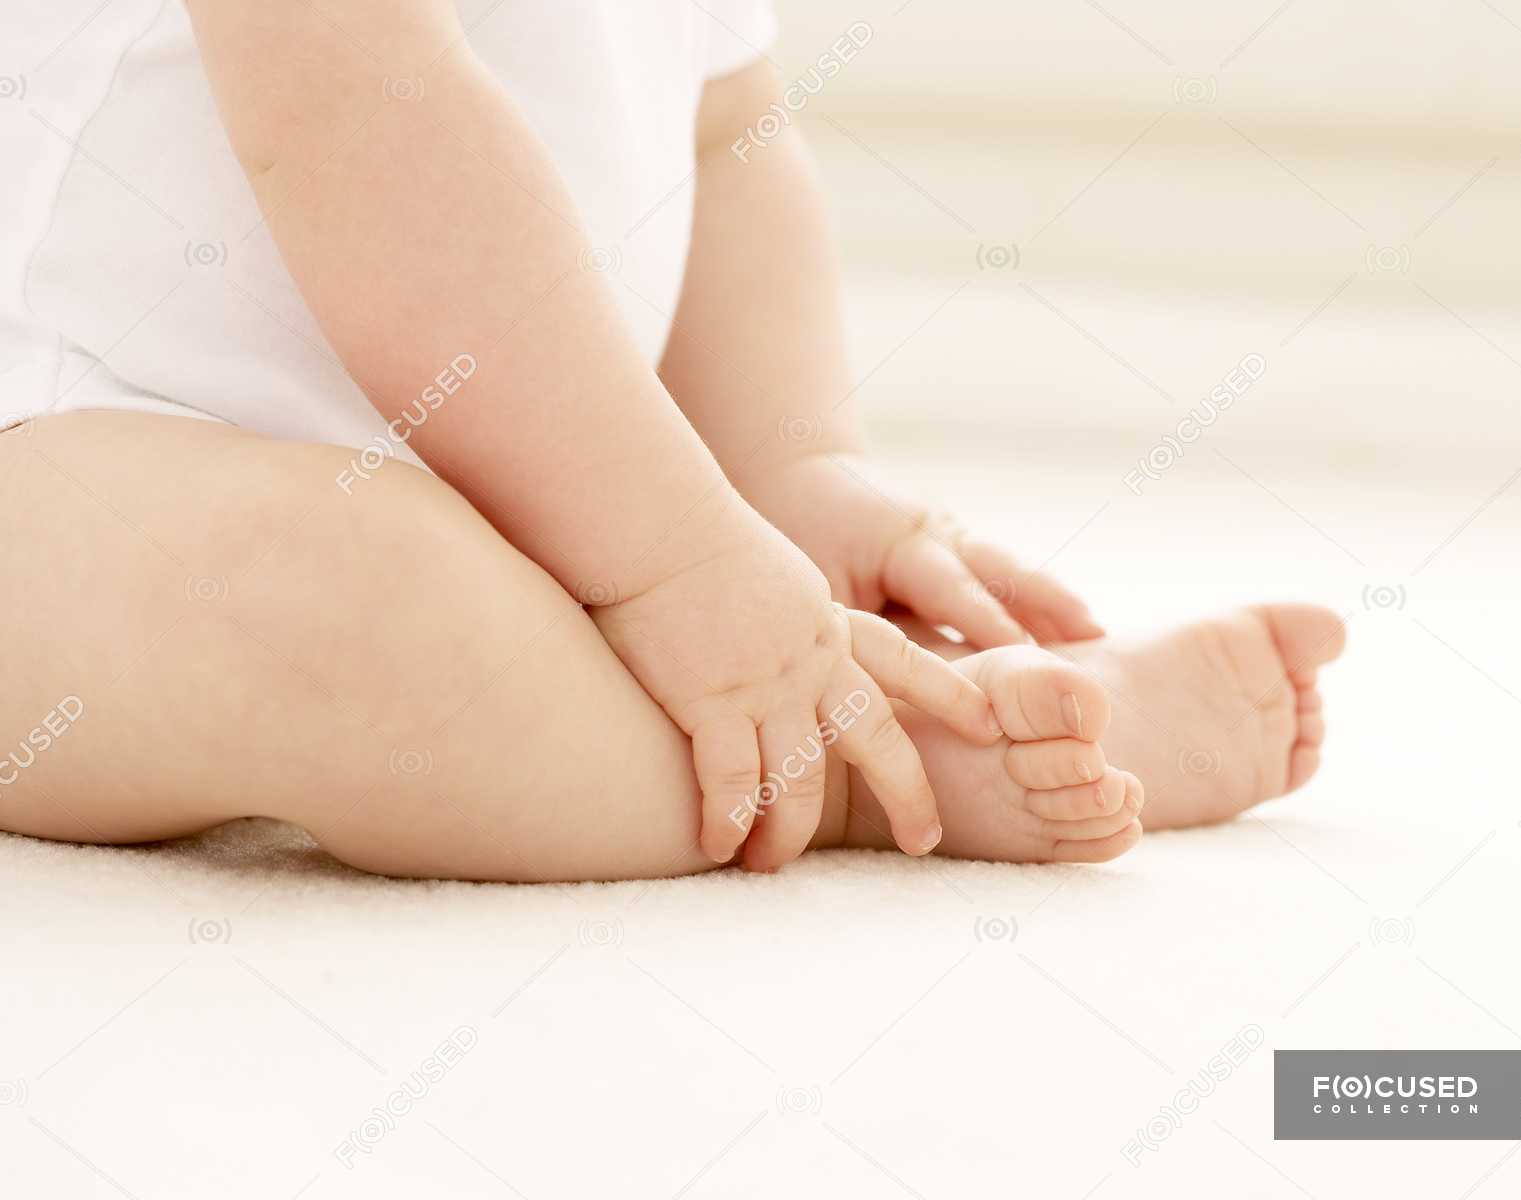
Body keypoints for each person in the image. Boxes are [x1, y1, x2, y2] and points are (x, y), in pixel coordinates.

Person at [0, 0, 1343, 881]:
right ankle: (864, 768)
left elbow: (723, 136)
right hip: (65, 444)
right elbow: (355, 105)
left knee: (443, 573)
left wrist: (784, 476)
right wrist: (677, 558)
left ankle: (792, 698)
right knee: (337, 604)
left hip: (504, 483)